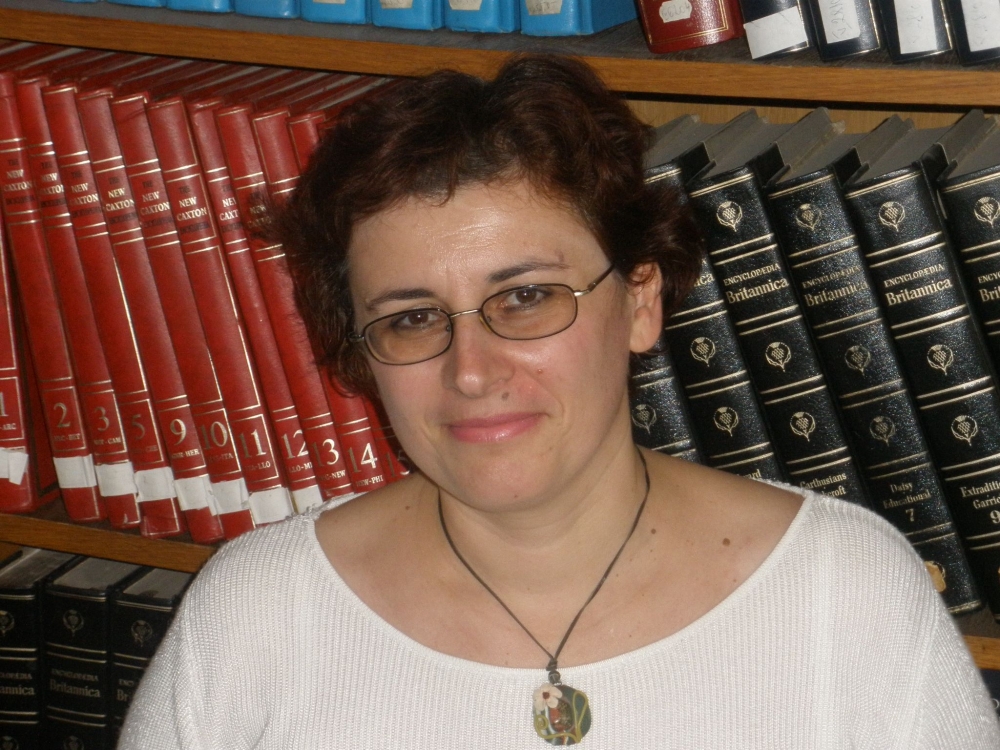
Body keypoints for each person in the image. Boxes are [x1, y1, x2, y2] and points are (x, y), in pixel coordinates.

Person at [119, 54, 1000, 749]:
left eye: (527, 297)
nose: (472, 371)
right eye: (412, 317)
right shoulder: (257, 614)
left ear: (641, 302)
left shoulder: (842, 593)